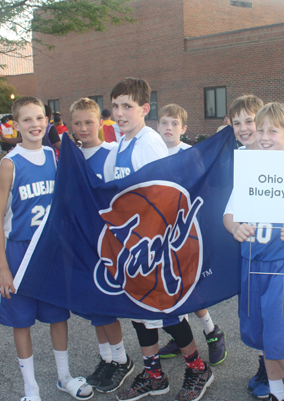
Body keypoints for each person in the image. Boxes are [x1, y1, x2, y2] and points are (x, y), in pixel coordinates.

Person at [104, 78, 214, 401]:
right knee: (140, 313)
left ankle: (197, 368)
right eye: (116, 106)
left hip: (155, 246)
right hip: (134, 247)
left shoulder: (148, 143)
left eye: (128, 106)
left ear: (144, 109)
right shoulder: (121, 144)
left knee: (168, 314)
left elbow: (165, 198)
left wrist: (154, 244)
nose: (120, 113)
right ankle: (154, 375)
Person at [0, 96, 93, 401]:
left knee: (57, 315)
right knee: (21, 320)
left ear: (47, 121)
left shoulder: (54, 156)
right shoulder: (10, 163)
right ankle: (30, 388)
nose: (34, 124)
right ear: (16, 124)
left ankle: (63, 376)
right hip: (20, 252)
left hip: (50, 251)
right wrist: (1, 267)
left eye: (39, 118)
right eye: (27, 119)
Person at [224, 102, 284, 401]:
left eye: (273, 131)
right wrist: (235, 228)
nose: (265, 136)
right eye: (261, 129)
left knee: (281, 340)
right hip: (253, 263)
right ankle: (278, 392)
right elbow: (229, 214)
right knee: (264, 338)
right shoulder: (249, 168)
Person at [68, 97, 132, 395]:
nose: (83, 128)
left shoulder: (111, 154)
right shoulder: (70, 157)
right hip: (82, 242)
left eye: (88, 122)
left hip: (106, 242)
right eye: (77, 123)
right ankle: (106, 358)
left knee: (106, 303)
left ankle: (121, 359)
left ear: (100, 122)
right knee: (92, 305)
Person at [155, 103, 227, 367]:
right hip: (159, 235)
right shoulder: (153, 153)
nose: (169, 128)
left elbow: (203, 193)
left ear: (184, 129)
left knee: (190, 287)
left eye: (175, 123)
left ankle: (212, 331)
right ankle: (179, 334)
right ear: (157, 126)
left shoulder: (191, 154)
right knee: (169, 287)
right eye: (164, 123)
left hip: (185, 232)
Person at [227, 94, 273, 399]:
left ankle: (279, 371)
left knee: (276, 314)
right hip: (252, 253)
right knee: (254, 313)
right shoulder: (239, 159)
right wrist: (234, 226)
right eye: (237, 123)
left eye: (249, 121)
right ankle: (265, 364)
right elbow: (231, 209)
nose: (244, 128)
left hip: (279, 256)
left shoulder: (280, 158)